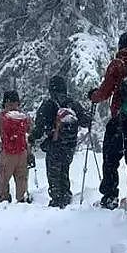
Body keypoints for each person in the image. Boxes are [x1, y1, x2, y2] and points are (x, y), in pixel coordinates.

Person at [88, 31, 127, 210]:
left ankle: (109, 196)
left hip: (121, 118)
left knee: (110, 157)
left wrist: (93, 96)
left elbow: (105, 92)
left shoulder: (119, 63)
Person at [32, 74, 89, 208]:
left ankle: (57, 200)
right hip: (70, 145)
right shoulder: (72, 103)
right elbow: (86, 121)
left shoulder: (48, 104)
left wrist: (32, 137)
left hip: (54, 144)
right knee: (64, 170)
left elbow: (39, 126)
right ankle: (66, 196)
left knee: (54, 174)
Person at [0, 90, 34, 203]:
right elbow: (31, 135)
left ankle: (4, 201)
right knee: (21, 180)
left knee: (4, 180)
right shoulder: (24, 117)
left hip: (7, 154)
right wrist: (29, 152)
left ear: (4, 102)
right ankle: (21, 200)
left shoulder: (1, 117)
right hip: (23, 153)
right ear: (18, 102)